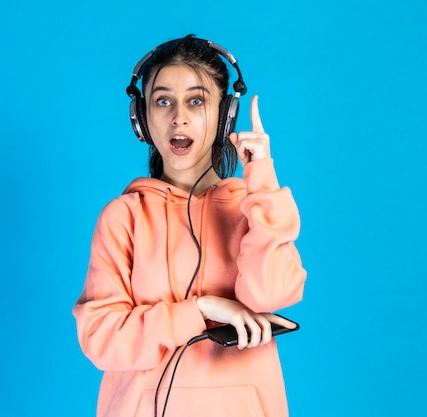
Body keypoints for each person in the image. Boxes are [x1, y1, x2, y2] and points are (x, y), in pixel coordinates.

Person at [73, 34, 307, 417]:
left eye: (196, 101)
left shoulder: (251, 207)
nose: (178, 116)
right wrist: (200, 309)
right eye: (163, 101)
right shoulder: (124, 216)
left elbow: (272, 293)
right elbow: (102, 339)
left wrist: (261, 177)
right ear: (142, 119)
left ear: (223, 115)